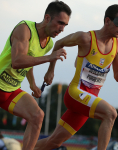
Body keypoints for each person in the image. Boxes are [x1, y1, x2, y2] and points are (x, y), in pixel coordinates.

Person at [34, 4, 118, 150]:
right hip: (75, 94)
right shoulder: (85, 38)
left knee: (53, 142)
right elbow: (59, 43)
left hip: (87, 101)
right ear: (107, 21)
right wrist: (50, 70)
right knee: (110, 114)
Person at [0, 1, 71, 150]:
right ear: (47, 18)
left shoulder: (49, 44)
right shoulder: (24, 29)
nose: (62, 29)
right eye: (60, 23)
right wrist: (49, 58)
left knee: (37, 116)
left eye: (65, 25)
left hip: (11, 90)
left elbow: (29, 60)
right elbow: (18, 61)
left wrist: (32, 83)